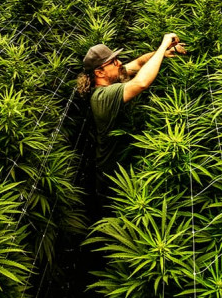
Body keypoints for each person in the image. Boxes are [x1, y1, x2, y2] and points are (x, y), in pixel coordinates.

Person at [76, 33, 186, 208]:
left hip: (124, 166)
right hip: (114, 178)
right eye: (113, 62)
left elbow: (138, 64)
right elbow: (141, 82)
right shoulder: (103, 96)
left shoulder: (107, 81)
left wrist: (162, 52)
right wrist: (164, 41)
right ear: (99, 72)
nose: (119, 63)